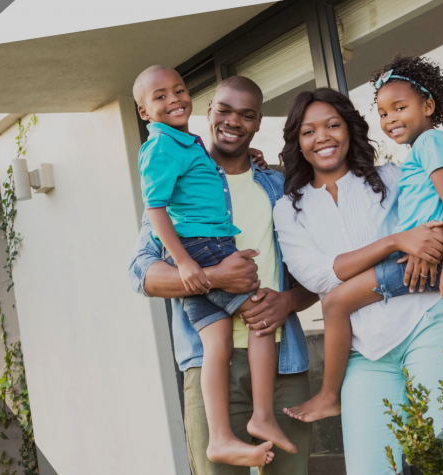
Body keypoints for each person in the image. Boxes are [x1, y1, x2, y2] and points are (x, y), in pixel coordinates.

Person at [272, 87, 443, 474]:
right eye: (309, 131)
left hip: (429, 324)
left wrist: (435, 239)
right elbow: (318, 275)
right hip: (364, 355)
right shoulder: (289, 208)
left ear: (350, 130)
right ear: (297, 142)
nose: (322, 137)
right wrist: (396, 240)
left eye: (333, 125)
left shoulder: (392, 176)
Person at [129, 74, 319, 475]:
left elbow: (318, 276)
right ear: (209, 111)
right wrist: (216, 276)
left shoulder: (278, 185)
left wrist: (286, 301)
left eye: (247, 115)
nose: (234, 122)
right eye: (225, 110)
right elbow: (141, 274)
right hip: (210, 366)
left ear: (258, 123)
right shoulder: (180, 182)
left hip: (283, 364)